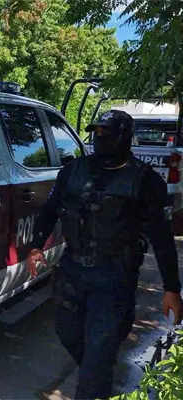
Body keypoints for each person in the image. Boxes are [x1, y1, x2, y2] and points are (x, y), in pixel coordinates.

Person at [26, 110, 183, 400]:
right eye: (96, 132)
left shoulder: (145, 181)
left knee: (96, 361)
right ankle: (98, 369)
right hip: (72, 274)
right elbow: (49, 212)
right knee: (70, 336)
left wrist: (171, 288)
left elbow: (162, 238)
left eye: (107, 133)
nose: (100, 138)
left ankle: (95, 377)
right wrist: (35, 247)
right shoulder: (73, 172)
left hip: (114, 280)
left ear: (125, 138)